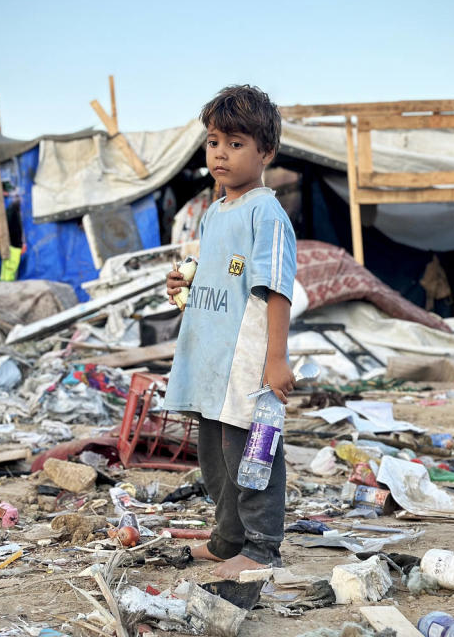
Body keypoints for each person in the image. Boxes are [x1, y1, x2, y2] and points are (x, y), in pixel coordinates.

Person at [163, 85, 296, 579]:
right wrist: (183, 284)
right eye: (214, 141)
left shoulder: (268, 214)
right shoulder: (215, 213)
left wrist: (276, 359)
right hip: (211, 361)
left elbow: (275, 289)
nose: (221, 152)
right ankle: (226, 539)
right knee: (215, 461)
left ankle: (262, 549)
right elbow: (216, 277)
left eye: (236, 143)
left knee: (253, 457)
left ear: (266, 152)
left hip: (247, 361)